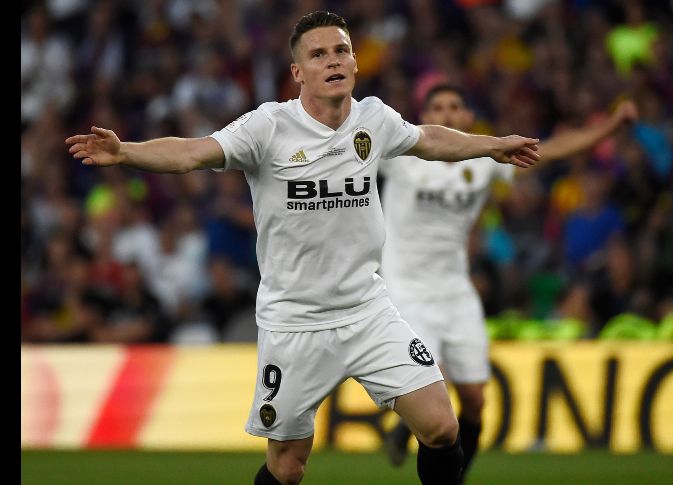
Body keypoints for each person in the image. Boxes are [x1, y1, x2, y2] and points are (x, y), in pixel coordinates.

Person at [65, 11, 540, 485]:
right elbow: (191, 153)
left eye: (341, 51)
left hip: (367, 310)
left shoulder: (373, 118)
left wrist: (491, 145)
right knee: (288, 468)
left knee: (441, 426)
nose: (333, 61)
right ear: (298, 72)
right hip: (295, 322)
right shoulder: (268, 127)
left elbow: (428, 139)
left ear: (354, 62)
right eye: (318, 54)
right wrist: (126, 151)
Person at [380, 84, 637, 482]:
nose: (447, 115)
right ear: (423, 115)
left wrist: (613, 125)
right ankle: (411, 431)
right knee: (436, 384)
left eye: (455, 107)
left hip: (455, 290)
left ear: (468, 118)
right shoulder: (401, 154)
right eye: (437, 107)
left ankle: (437, 458)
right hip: (405, 289)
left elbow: (553, 149)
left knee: (476, 401)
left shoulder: (482, 159)